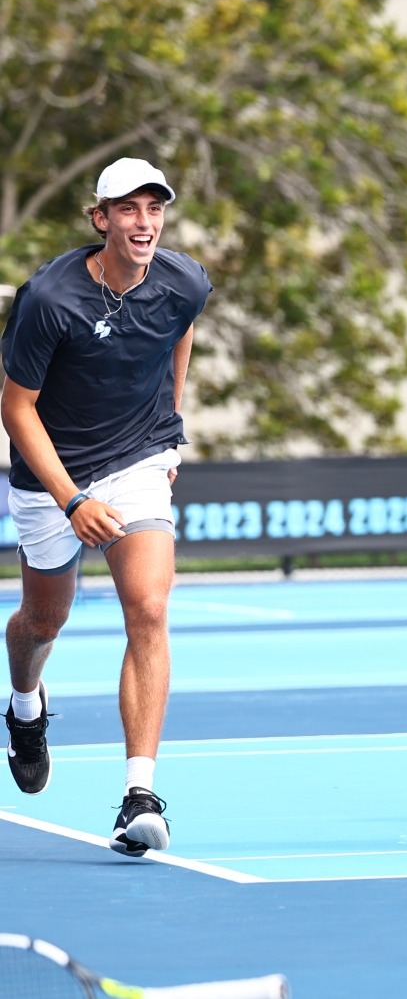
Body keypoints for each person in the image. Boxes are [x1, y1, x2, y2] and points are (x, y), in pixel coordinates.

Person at [2, 157, 212, 858]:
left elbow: (180, 329)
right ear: (101, 219)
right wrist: (71, 499)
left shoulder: (184, 280)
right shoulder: (49, 299)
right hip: (50, 476)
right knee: (41, 620)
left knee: (148, 606)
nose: (144, 222)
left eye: (154, 209)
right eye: (128, 209)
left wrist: (170, 425)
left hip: (139, 460)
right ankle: (25, 708)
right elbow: (16, 408)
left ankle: (140, 795)